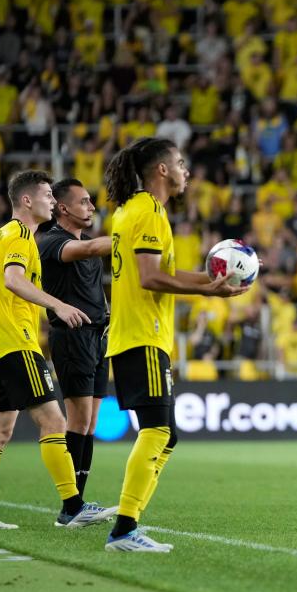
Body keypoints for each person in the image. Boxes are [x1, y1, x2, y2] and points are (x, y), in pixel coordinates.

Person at [103, 138, 246, 552]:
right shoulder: (148, 211)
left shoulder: (130, 210)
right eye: (180, 163)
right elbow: (150, 278)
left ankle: (128, 523)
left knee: (165, 435)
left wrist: (212, 279)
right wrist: (208, 294)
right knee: (158, 431)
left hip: (137, 334)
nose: (186, 171)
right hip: (142, 333)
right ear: (162, 170)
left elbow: (160, 271)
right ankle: (125, 530)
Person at [0, 170, 114, 530]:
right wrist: (58, 305)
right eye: (46, 194)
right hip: (16, 342)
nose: (51, 199)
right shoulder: (18, 235)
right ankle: (73, 506)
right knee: (55, 422)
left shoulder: (10, 235)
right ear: (27, 200)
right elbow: (13, 280)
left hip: (0, 343)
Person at [38, 178, 113, 502]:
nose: (91, 207)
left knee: (91, 422)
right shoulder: (53, 242)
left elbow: (94, 288)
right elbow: (90, 248)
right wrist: (135, 235)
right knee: (78, 419)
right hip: (72, 337)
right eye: (84, 201)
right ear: (63, 208)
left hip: (98, 337)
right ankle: (72, 504)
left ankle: (79, 501)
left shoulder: (90, 246)